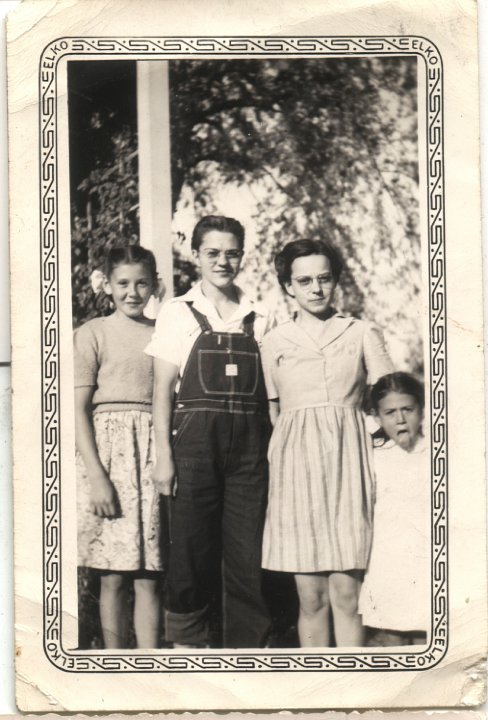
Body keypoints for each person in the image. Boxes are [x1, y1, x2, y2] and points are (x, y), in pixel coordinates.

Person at [146, 215, 274, 648]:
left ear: (242, 255)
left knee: (248, 556)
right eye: (213, 253)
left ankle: (246, 653)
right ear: (196, 255)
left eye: (231, 253)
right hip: (194, 449)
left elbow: (273, 395)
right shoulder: (177, 313)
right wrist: (163, 455)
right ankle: (188, 649)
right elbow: (162, 390)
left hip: (251, 454)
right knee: (189, 554)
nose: (223, 261)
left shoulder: (261, 315)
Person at [260, 238, 394, 648]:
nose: (316, 289)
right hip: (296, 472)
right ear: (288, 286)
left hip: (348, 467)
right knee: (311, 598)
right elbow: (274, 411)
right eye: (304, 281)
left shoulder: (360, 332)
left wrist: (369, 441)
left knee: (346, 594)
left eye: (324, 278)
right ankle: (316, 688)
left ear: (334, 281)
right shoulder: (274, 341)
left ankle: (352, 692)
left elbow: (390, 397)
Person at [75, 245, 166, 649]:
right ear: (107, 285)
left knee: (150, 574)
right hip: (109, 459)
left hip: (152, 455)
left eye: (141, 283)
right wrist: (97, 477)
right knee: (112, 574)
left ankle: (150, 664)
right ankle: (113, 666)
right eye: (123, 283)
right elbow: (76, 410)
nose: (132, 292)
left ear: (154, 285)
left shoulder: (163, 334)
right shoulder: (93, 333)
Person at [359, 372, 429, 646]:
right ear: (376, 417)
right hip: (387, 567)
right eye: (390, 412)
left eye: (407, 410)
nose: (400, 419)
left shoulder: (435, 453)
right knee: (390, 641)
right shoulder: (373, 454)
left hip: (423, 568)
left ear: (421, 410)